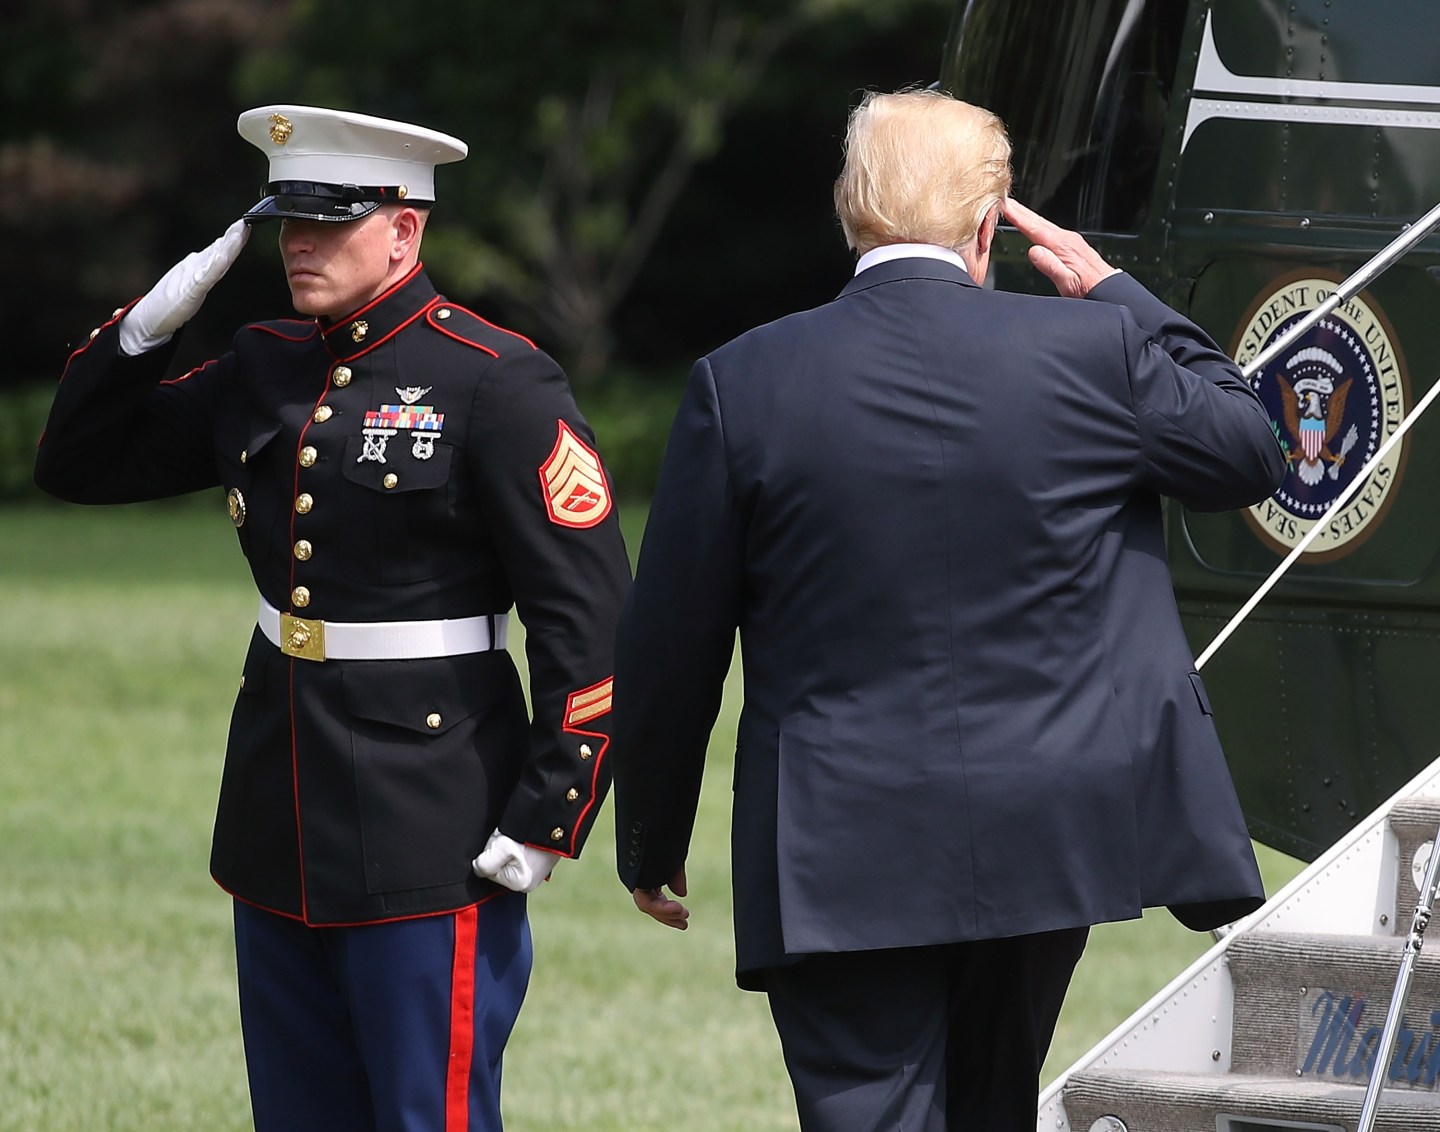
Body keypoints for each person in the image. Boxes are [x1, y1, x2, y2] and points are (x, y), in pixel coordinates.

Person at [610, 89, 1286, 1131]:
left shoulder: (741, 383)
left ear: (849, 208)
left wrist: (651, 835)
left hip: (834, 847)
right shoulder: (1091, 354)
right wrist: (1117, 292)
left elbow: (672, 641)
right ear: (989, 225)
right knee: (991, 1109)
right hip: (1044, 836)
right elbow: (1249, 447)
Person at [34, 104, 631, 1131]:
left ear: (404, 230)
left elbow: (592, 621)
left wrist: (549, 816)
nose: (298, 245)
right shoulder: (266, 361)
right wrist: (145, 331)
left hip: (430, 817)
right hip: (280, 803)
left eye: (329, 220)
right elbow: (77, 465)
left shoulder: (496, 383)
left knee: (423, 1116)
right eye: (287, 221)